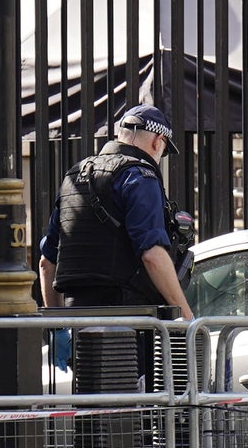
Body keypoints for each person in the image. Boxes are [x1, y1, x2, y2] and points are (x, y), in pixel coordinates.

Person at [39, 104, 195, 386]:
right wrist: (185, 316)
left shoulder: (75, 176)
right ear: (158, 142)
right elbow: (152, 255)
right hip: (128, 319)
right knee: (132, 415)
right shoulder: (140, 175)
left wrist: (58, 327)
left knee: (92, 413)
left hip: (80, 319)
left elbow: (46, 262)